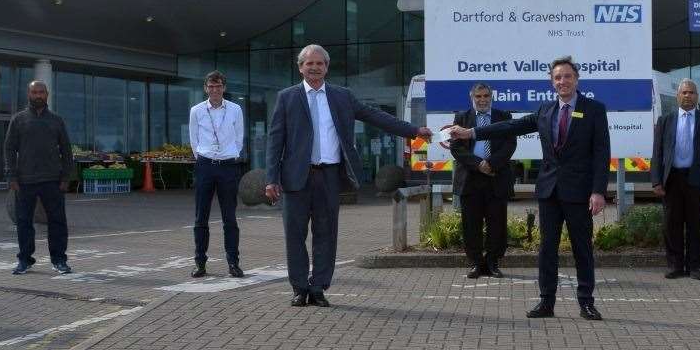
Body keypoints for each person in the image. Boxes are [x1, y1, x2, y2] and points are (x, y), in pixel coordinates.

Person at [266, 44, 432, 307]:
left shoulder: (342, 96)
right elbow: (276, 141)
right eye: (309, 63)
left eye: (320, 63)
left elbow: (375, 116)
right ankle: (299, 288)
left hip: (329, 176)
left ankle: (319, 287)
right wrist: (271, 178)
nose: (315, 68)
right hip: (295, 179)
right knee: (294, 235)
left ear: (326, 68)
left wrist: (413, 131)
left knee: (326, 234)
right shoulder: (287, 97)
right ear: (300, 67)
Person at [448, 56, 611, 320]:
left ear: (576, 79)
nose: (563, 82)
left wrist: (598, 191)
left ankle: (586, 303)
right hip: (549, 192)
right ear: (552, 82)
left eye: (567, 76)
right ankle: (546, 302)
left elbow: (602, 153)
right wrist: (471, 133)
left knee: (582, 249)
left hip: (580, 192)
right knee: (547, 249)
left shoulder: (594, 109)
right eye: (557, 77)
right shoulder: (545, 110)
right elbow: (510, 126)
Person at [650, 79, 700, 280]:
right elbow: (658, 152)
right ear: (677, 96)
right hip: (672, 180)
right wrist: (656, 181)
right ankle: (675, 266)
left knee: (696, 225)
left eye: (691, 93)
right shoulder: (666, 120)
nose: (688, 96)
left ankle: (694, 267)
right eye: (684, 93)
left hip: (697, 180)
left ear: (696, 97)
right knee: (671, 224)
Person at [4, 81, 74, 275]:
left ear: (47, 94)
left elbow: (66, 150)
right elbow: (9, 149)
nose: (38, 95)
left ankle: (59, 260)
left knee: (57, 221)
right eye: (34, 92)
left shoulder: (57, 120)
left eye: (41, 92)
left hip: (53, 180)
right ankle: (25, 260)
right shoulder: (18, 120)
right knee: (24, 221)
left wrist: (67, 177)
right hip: (25, 180)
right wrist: (11, 176)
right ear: (28, 94)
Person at [450, 83, 516, 278]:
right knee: (471, 224)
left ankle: (493, 263)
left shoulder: (503, 117)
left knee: (497, 224)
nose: (482, 100)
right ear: (472, 97)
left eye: (486, 96)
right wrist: (479, 164)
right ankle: (476, 264)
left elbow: (510, 144)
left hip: (496, 177)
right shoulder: (462, 118)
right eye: (478, 96)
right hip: (470, 178)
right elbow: (456, 148)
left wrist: (491, 164)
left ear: (491, 97)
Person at [189, 71, 246, 278]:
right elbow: (194, 140)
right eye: (211, 86)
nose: (215, 90)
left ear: (224, 87)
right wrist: (204, 157)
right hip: (205, 165)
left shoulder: (235, 109)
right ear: (205, 88)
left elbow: (239, 137)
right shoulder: (196, 111)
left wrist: (229, 154)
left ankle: (233, 263)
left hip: (228, 166)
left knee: (229, 217)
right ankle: (200, 263)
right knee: (200, 217)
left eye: (218, 86)